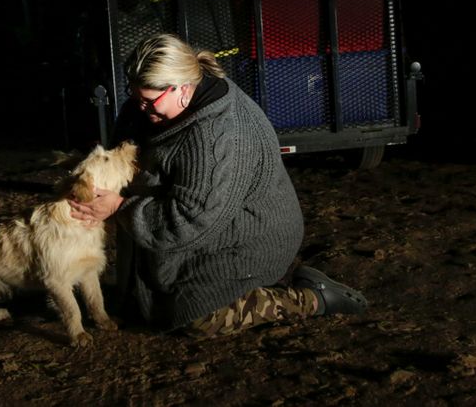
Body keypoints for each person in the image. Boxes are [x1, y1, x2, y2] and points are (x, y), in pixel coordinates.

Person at [69, 33, 368, 337]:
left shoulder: (217, 136)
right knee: (141, 301)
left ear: (183, 88)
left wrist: (119, 206)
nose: (140, 108)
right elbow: (130, 135)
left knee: (196, 316)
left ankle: (311, 298)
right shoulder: (167, 99)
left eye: (148, 102)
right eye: (136, 98)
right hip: (208, 218)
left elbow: (189, 220)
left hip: (249, 237)